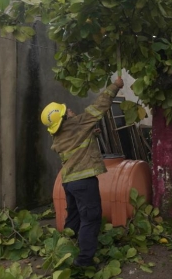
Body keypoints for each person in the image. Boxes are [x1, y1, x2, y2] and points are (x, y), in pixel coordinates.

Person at [40, 75, 124, 267]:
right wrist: (115, 86)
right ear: (63, 119)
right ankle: (84, 260)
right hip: (84, 181)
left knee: (75, 216)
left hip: (68, 181)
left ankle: (66, 250)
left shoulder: (60, 137)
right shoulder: (78, 124)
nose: (69, 109)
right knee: (91, 218)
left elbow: (77, 142)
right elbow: (100, 106)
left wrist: (91, 134)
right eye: (65, 110)